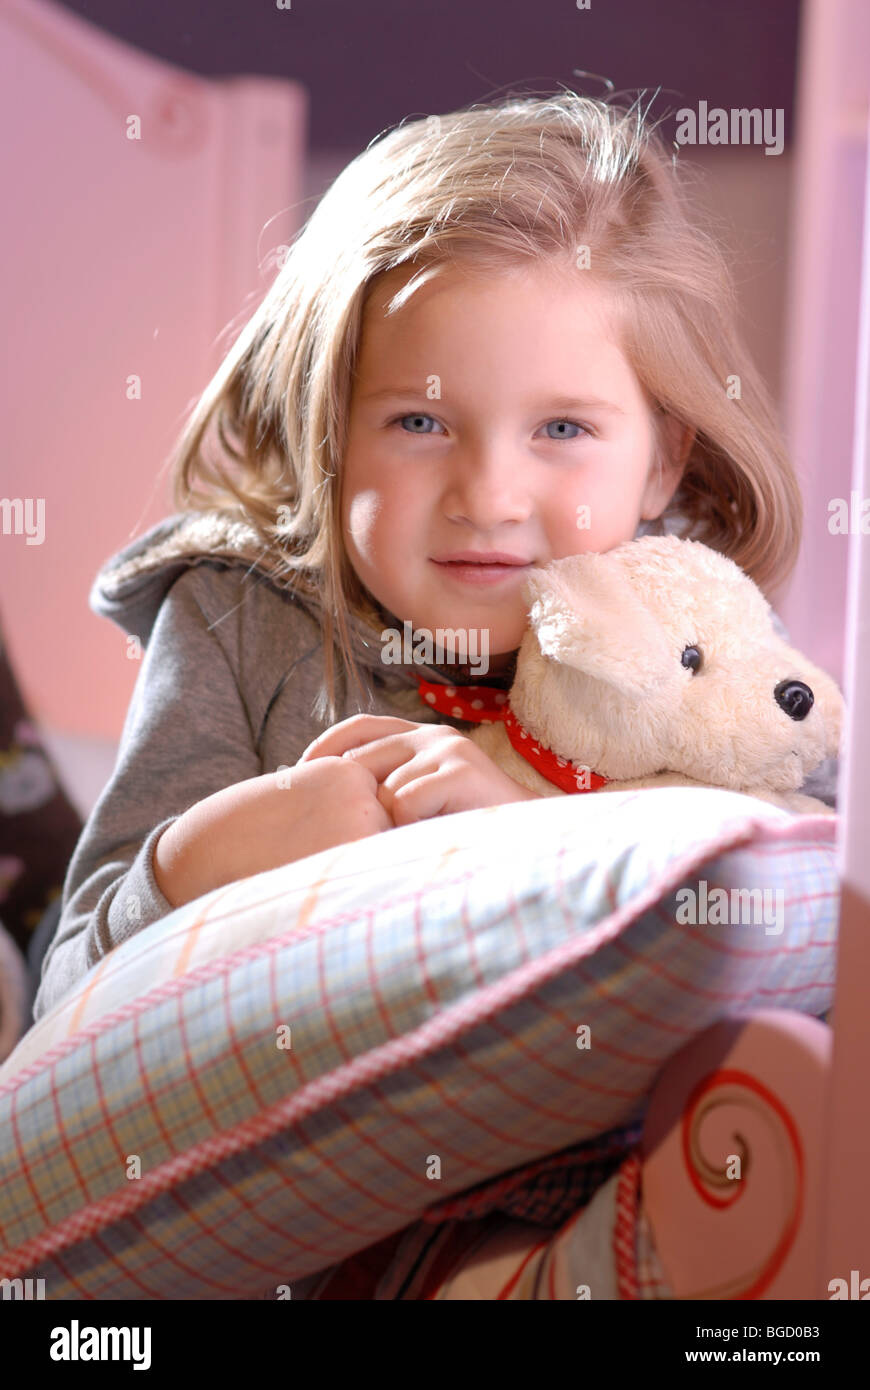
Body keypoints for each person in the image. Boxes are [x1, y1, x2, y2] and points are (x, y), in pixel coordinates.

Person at [33, 90, 836, 1030]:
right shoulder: (237, 620)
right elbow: (63, 1008)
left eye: (563, 428)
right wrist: (196, 859)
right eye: (419, 421)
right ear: (322, 431)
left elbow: (807, 896)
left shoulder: (701, 627)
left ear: (661, 461)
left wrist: (527, 845)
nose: (488, 496)